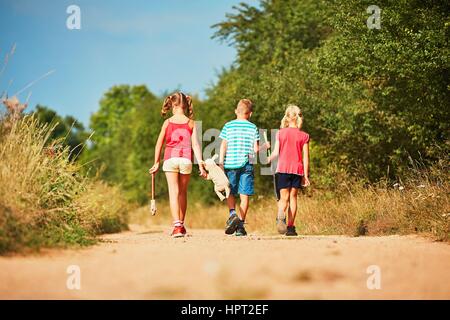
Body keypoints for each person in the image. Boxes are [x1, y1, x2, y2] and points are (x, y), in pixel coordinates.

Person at [149, 92, 206, 238]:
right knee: (182, 192)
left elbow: (158, 145)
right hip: (186, 160)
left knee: (173, 192)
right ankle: (181, 224)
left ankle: (177, 226)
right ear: (186, 105)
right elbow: (196, 146)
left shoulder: (167, 123)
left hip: (170, 159)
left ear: (173, 105)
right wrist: (200, 164)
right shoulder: (191, 123)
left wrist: (156, 163)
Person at [219, 99, 269, 236]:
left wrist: (221, 163)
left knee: (230, 191)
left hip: (230, 164)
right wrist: (266, 146)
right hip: (246, 164)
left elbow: (223, 145)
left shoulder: (228, 126)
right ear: (250, 114)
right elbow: (255, 149)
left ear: (236, 111)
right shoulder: (253, 127)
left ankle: (232, 213)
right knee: (244, 194)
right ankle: (240, 226)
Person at [268, 105, 310, 236]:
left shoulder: (280, 133)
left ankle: (281, 216)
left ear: (287, 117)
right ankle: (291, 228)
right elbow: (305, 157)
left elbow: (275, 153)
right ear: (298, 118)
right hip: (297, 170)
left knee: (283, 197)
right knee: (293, 197)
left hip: (283, 168)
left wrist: (269, 158)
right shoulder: (304, 136)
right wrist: (306, 175)